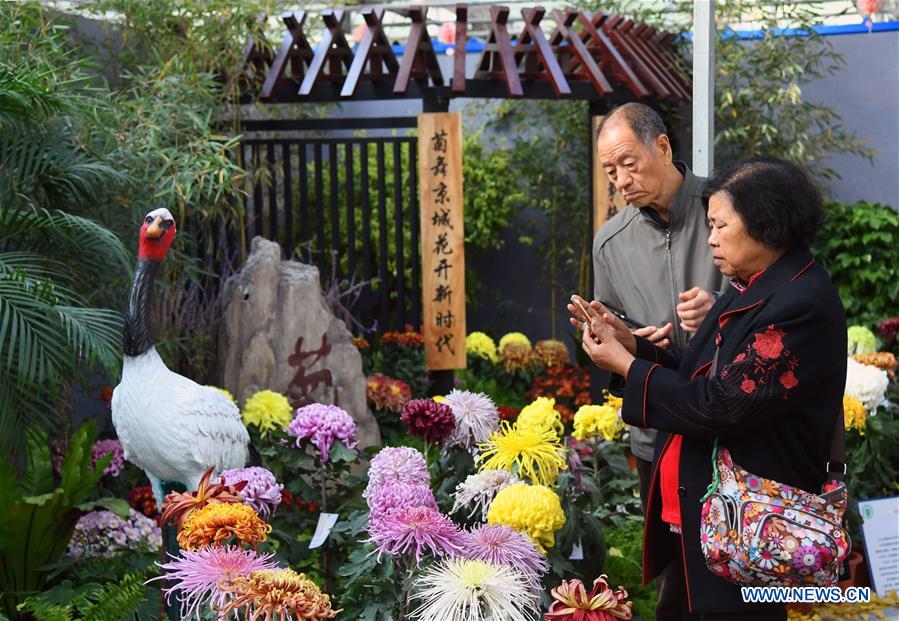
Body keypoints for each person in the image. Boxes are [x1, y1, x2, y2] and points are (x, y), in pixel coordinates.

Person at [571, 157, 848, 620]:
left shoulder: (802, 304)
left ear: (767, 226)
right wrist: (633, 348)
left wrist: (626, 365)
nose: (712, 238)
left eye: (720, 225)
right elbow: (700, 372)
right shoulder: (752, 286)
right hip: (706, 508)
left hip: (751, 521)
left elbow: (721, 404)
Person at [593, 102, 725, 510]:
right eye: (611, 172)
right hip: (657, 431)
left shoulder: (726, 210)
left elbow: (775, 300)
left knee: (738, 559)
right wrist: (622, 342)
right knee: (669, 569)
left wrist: (718, 309)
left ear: (663, 147)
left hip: (732, 421)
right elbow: (609, 328)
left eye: (629, 163)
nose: (622, 181)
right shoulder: (610, 241)